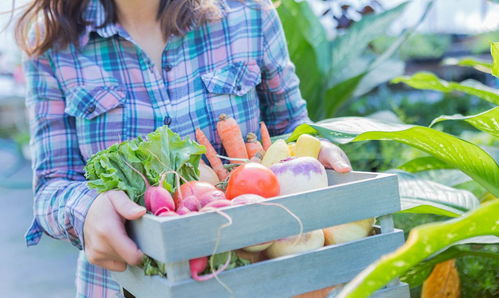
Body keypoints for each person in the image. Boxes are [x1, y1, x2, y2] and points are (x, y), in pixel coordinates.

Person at [17, 0, 352, 296]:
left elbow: (290, 130)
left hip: (255, 278)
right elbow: (52, 185)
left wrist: (313, 150)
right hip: (124, 285)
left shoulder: (247, 12)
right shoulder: (53, 43)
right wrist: (86, 209)